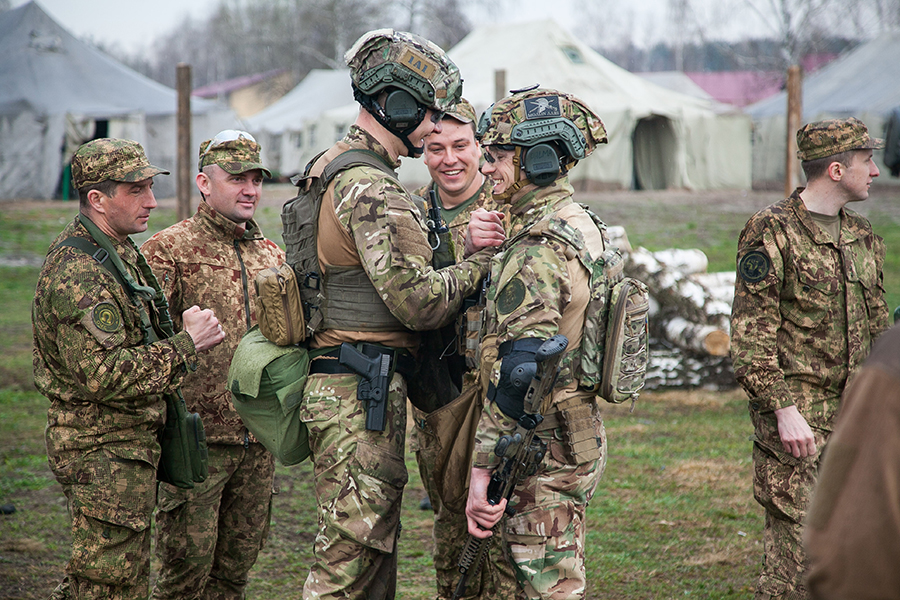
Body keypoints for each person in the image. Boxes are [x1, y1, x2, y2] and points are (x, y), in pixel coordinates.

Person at [290, 29, 497, 600]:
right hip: (359, 388)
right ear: (397, 105)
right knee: (350, 558)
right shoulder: (370, 186)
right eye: (426, 112)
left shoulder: (334, 164)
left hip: (353, 380)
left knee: (371, 551)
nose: (434, 126)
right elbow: (421, 301)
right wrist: (478, 262)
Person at [33, 138, 225, 600]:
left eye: (149, 187)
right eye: (135, 190)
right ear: (97, 199)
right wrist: (186, 344)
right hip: (100, 449)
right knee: (107, 583)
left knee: (115, 577)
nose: (151, 201)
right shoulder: (80, 271)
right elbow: (104, 375)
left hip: (126, 447)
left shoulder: (119, 250)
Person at [730, 117, 890, 600]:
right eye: (867, 161)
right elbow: (749, 338)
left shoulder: (862, 236)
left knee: (857, 555)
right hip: (800, 424)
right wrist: (783, 410)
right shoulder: (772, 232)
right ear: (837, 169)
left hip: (857, 421)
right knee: (795, 570)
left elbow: (879, 328)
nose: (877, 171)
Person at [463, 87, 611, 600]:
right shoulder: (582, 224)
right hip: (575, 432)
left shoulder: (537, 247)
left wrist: (482, 466)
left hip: (538, 445)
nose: (486, 169)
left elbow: (521, 369)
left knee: (547, 586)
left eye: (498, 157)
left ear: (538, 160)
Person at [141, 131, 285, 599]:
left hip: (259, 442)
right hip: (196, 444)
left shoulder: (271, 255)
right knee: (183, 578)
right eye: (237, 178)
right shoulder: (169, 250)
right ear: (205, 182)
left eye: (256, 179)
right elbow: (139, 341)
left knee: (233, 577)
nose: (250, 189)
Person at [408, 99, 517, 600]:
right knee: (453, 532)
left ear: (481, 148)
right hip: (441, 400)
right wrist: (459, 251)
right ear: (421, 152)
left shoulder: (508, 209)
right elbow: (408, 297)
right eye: (435, 148)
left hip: (503, 397)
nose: (449, 159)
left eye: (461, 146)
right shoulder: (408, 212)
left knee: (511, 534)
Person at [804, 323, 900, 599]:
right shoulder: (892, 365)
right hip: (809, 408)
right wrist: (781, 406)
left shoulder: (892, 361)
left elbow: (849, 562)